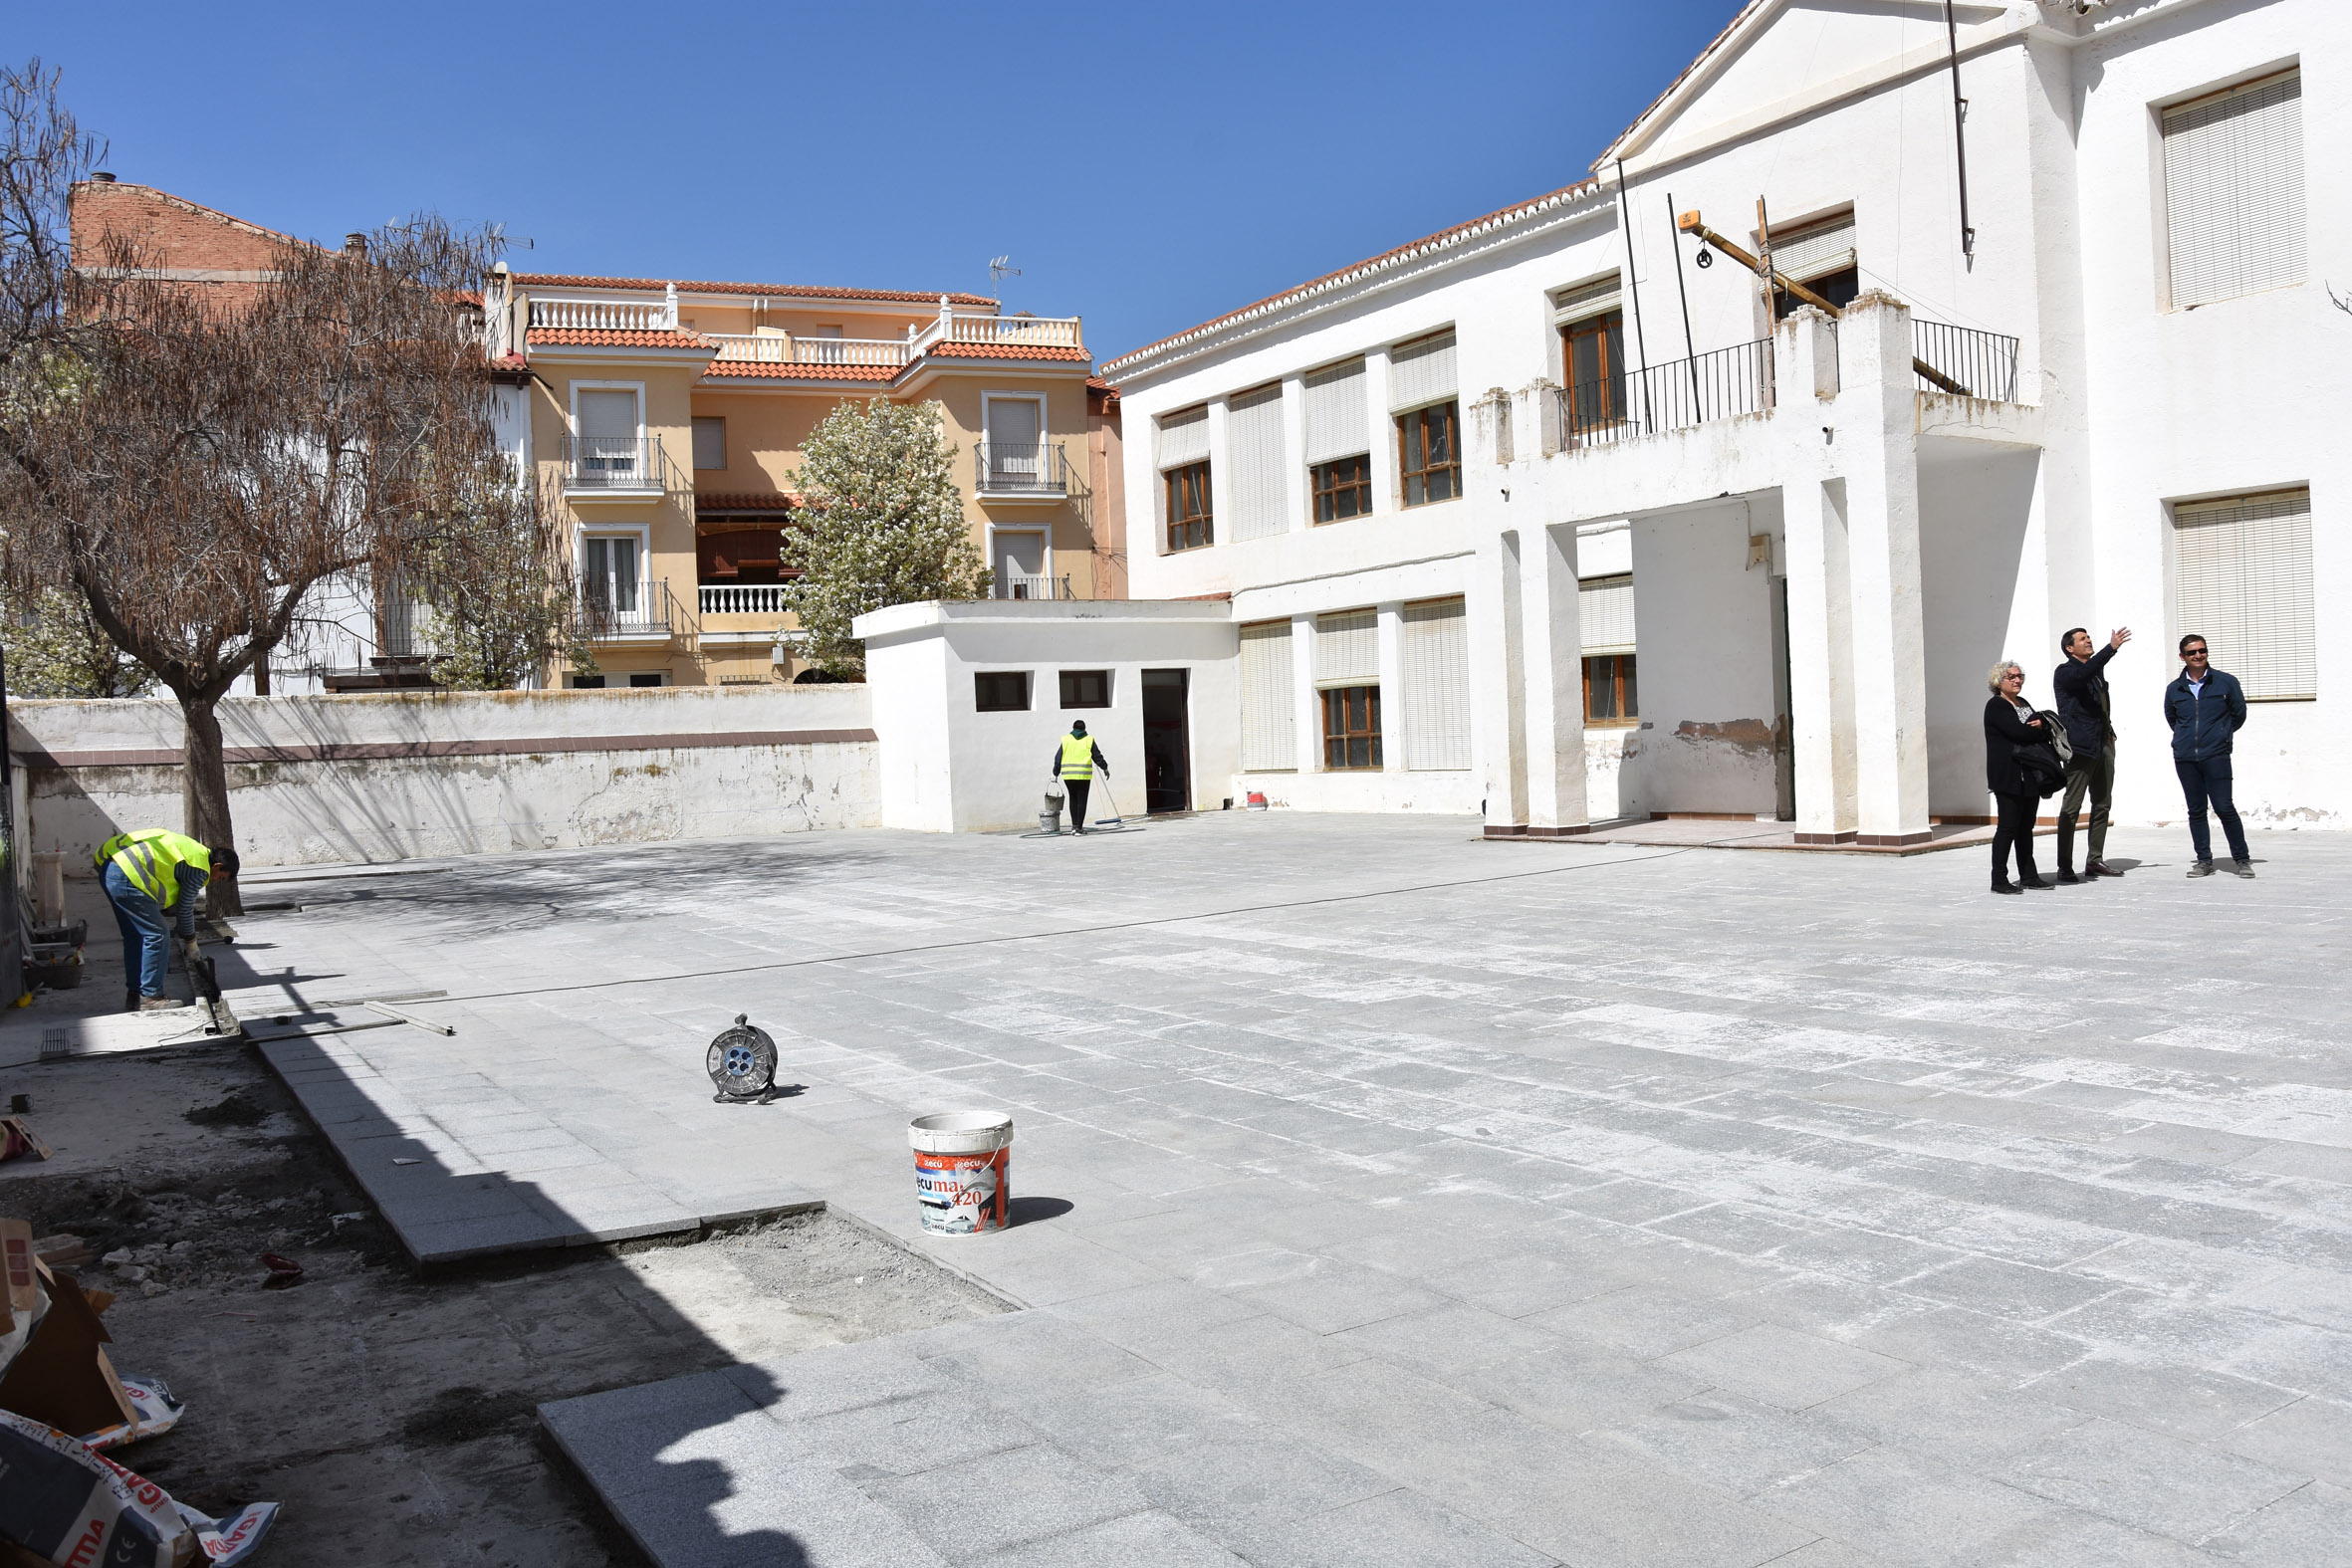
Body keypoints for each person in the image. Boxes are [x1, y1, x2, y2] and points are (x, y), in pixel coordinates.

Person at [95, 829, 236, 1011]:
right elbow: (184, 909)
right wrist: (191, 942)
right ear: (216, 866)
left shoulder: (192, 849)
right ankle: (152, 996)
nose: (215, 881)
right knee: (158, 934)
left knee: (135, 935)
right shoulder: (200, 868)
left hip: (109, 870)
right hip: (129, 877)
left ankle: (134, 995)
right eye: (220, 877)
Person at [2163, 634, 2252, 878]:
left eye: (2202, 650)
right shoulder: (2174, 689)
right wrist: (2186, 739)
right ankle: (2204, 861)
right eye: (2192, 652)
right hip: (2185, 757)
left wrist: (2220, 735)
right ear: (2183, 657)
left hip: (2217, 755)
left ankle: (2242, 859)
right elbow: (2173, 720)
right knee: (2196, 810)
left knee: (2224, 807)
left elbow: (2239, 715)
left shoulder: (2225, 682)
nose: (2198, 655)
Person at [2052, 625, 2131, 881]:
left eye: (2088, 637)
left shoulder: (2095, 671)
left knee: (2102, 804)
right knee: (2072, 808)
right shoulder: (2066, 671)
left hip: (2102, 744)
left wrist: (2110, 732)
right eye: (2082, 639)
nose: (2088, 641)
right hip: (2080, 747)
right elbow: (2081, 677)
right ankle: (2064, 865)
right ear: (2069, 648)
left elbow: (2100, 707)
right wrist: (2111, 649)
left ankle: (2094, 860)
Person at [1984, 661, 2056, 894]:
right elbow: (2019, 732)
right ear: (1998, 682)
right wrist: (2038, 729)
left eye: (2020, 676)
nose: (2017, 680)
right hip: (2007, 776)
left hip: (2029, 776)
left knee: (2026, 828)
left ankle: (2029, 876)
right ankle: (1999, 879)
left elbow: (2041, 727)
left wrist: (2042, 726)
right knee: (2007, 828)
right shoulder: (1996, 706)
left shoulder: (2022, 703)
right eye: (2011, 677)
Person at [1050, 720, 1109, 834]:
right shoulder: (1089, 739)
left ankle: (1074, 826)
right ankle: (1079, 828)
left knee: (1073, 798)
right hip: (1083, 775)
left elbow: (1058, 758)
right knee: (1081, 801)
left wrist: (1055, 773)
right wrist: (1105, 768)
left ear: (1073, 728)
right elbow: (1098, 757)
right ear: (1084, 729)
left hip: (1068, 776)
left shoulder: (1066, 740)